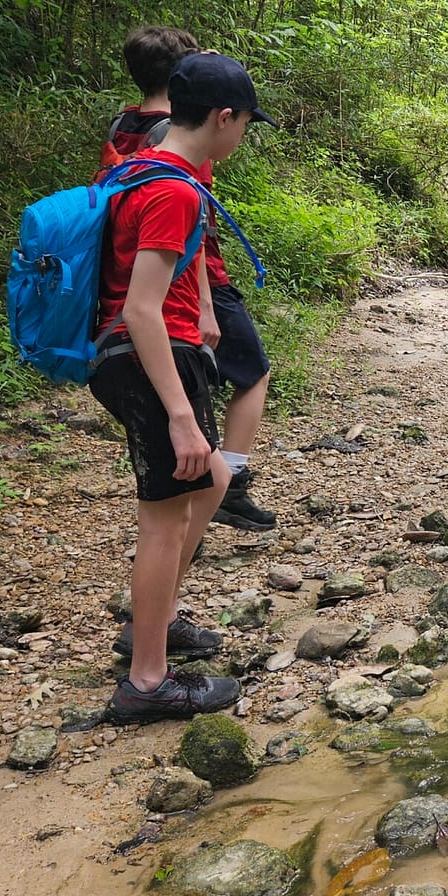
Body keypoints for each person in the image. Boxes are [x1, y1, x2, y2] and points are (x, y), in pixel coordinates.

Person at [95, 52, 276, 723]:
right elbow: (142, 308)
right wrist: (179, 412)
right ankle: (147, 680)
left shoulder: (140, 168)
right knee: (164, 522)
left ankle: (159, 620)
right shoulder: (174, 191)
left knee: (214, 480)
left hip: (145, 354)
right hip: (154, 360)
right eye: (246, 123)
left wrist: (201, 308)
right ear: (224, 118)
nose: (243, 136)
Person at [105, 27, 277, 532]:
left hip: (131, 294)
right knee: (250, 373)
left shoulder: (125, 127)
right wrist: (204, 300)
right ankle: (228, 486)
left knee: (176, 493)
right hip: (180, 291)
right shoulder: (179, 148)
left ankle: (211, 491)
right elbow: (189, 225)